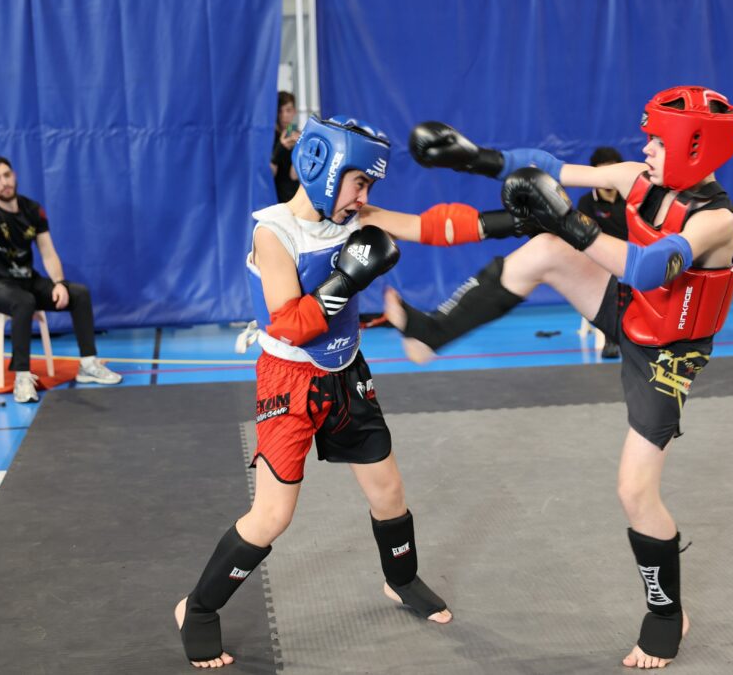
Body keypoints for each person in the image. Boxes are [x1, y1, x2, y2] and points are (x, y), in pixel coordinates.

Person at [385, 86, 733, 669]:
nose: (646, 149)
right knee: (545, 248)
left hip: (667, 354)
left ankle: (666, 615)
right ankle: (431, 332)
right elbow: (551, 168)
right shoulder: (637, 178)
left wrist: (573, 222)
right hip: (628, 309)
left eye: (658, 141)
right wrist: (472, 157)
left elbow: (649, 267)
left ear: (694, 147)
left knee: (635, 492)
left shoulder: (717, 222)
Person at [174, 114, 535, 669]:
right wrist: (348, 279)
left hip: (347, 370)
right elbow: (288, 324)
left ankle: (401, 579)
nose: (365, 197)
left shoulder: (354, 215)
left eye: (369, 186)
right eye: (360, 182)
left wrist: (510, 222)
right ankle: (197, 608)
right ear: (324, 168)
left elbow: (430, 226)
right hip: (289, 382)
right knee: (272, 515)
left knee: (388, 490)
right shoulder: (274, 233)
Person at [0, 156, 122, 403]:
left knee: (78, 293)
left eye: (7, 175)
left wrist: (59, 283)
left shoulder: (32, 209)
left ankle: (88, 364)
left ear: (14, 175)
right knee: (24, 301)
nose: (4, 182)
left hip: (27, 281)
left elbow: (48, 252)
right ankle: (22, 377)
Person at [577, 146, 628, 358]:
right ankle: (611, 336)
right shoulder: (586, 203)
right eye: (603, 172)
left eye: (613, 171)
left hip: (632, 257)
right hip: (601, 262)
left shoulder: (633, 199)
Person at [270, 91, 301, 202]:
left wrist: (299, 147)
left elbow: (294, 176)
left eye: (288, 110)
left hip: (293, 199)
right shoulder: (269, 137)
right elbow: (269, 174)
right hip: (273, 199)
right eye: (280, 111)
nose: (284, 115)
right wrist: (280, 149)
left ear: (294, 111)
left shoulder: (299, 136)